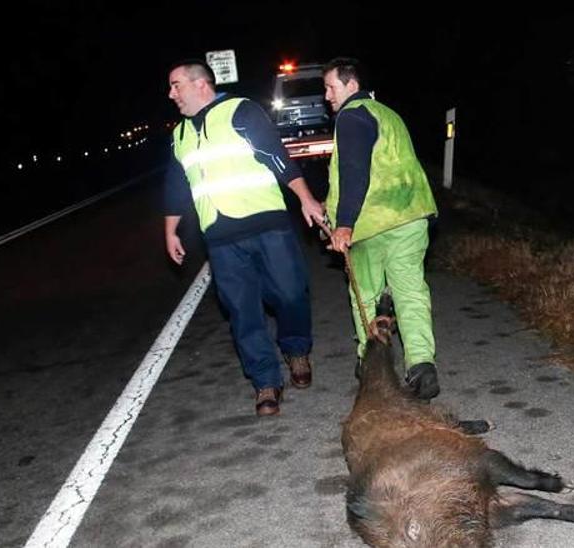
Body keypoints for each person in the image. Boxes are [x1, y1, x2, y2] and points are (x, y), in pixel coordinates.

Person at [163, 59, 324, 416]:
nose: (171, 94)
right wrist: (171, 229)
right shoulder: (180, 134)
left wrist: (306, 198)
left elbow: (276, 157)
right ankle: (265, 381)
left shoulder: (241, 111)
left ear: (201, 84)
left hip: (268, 224)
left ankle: (297, 350)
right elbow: (177, 185)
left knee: (290, 292)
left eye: (176, 85)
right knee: (241, 311)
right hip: (220, 236)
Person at [321, 57, 441, 400]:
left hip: (373, 222)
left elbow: (354, 173)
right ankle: (421, 367)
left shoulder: (351, 116)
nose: (327, 95)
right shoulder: (388, 114)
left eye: (331, 87)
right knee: (410, 291)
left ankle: (371, 367)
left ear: (351, 85)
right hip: (412, 216)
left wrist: (343, 225)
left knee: (367, 296)